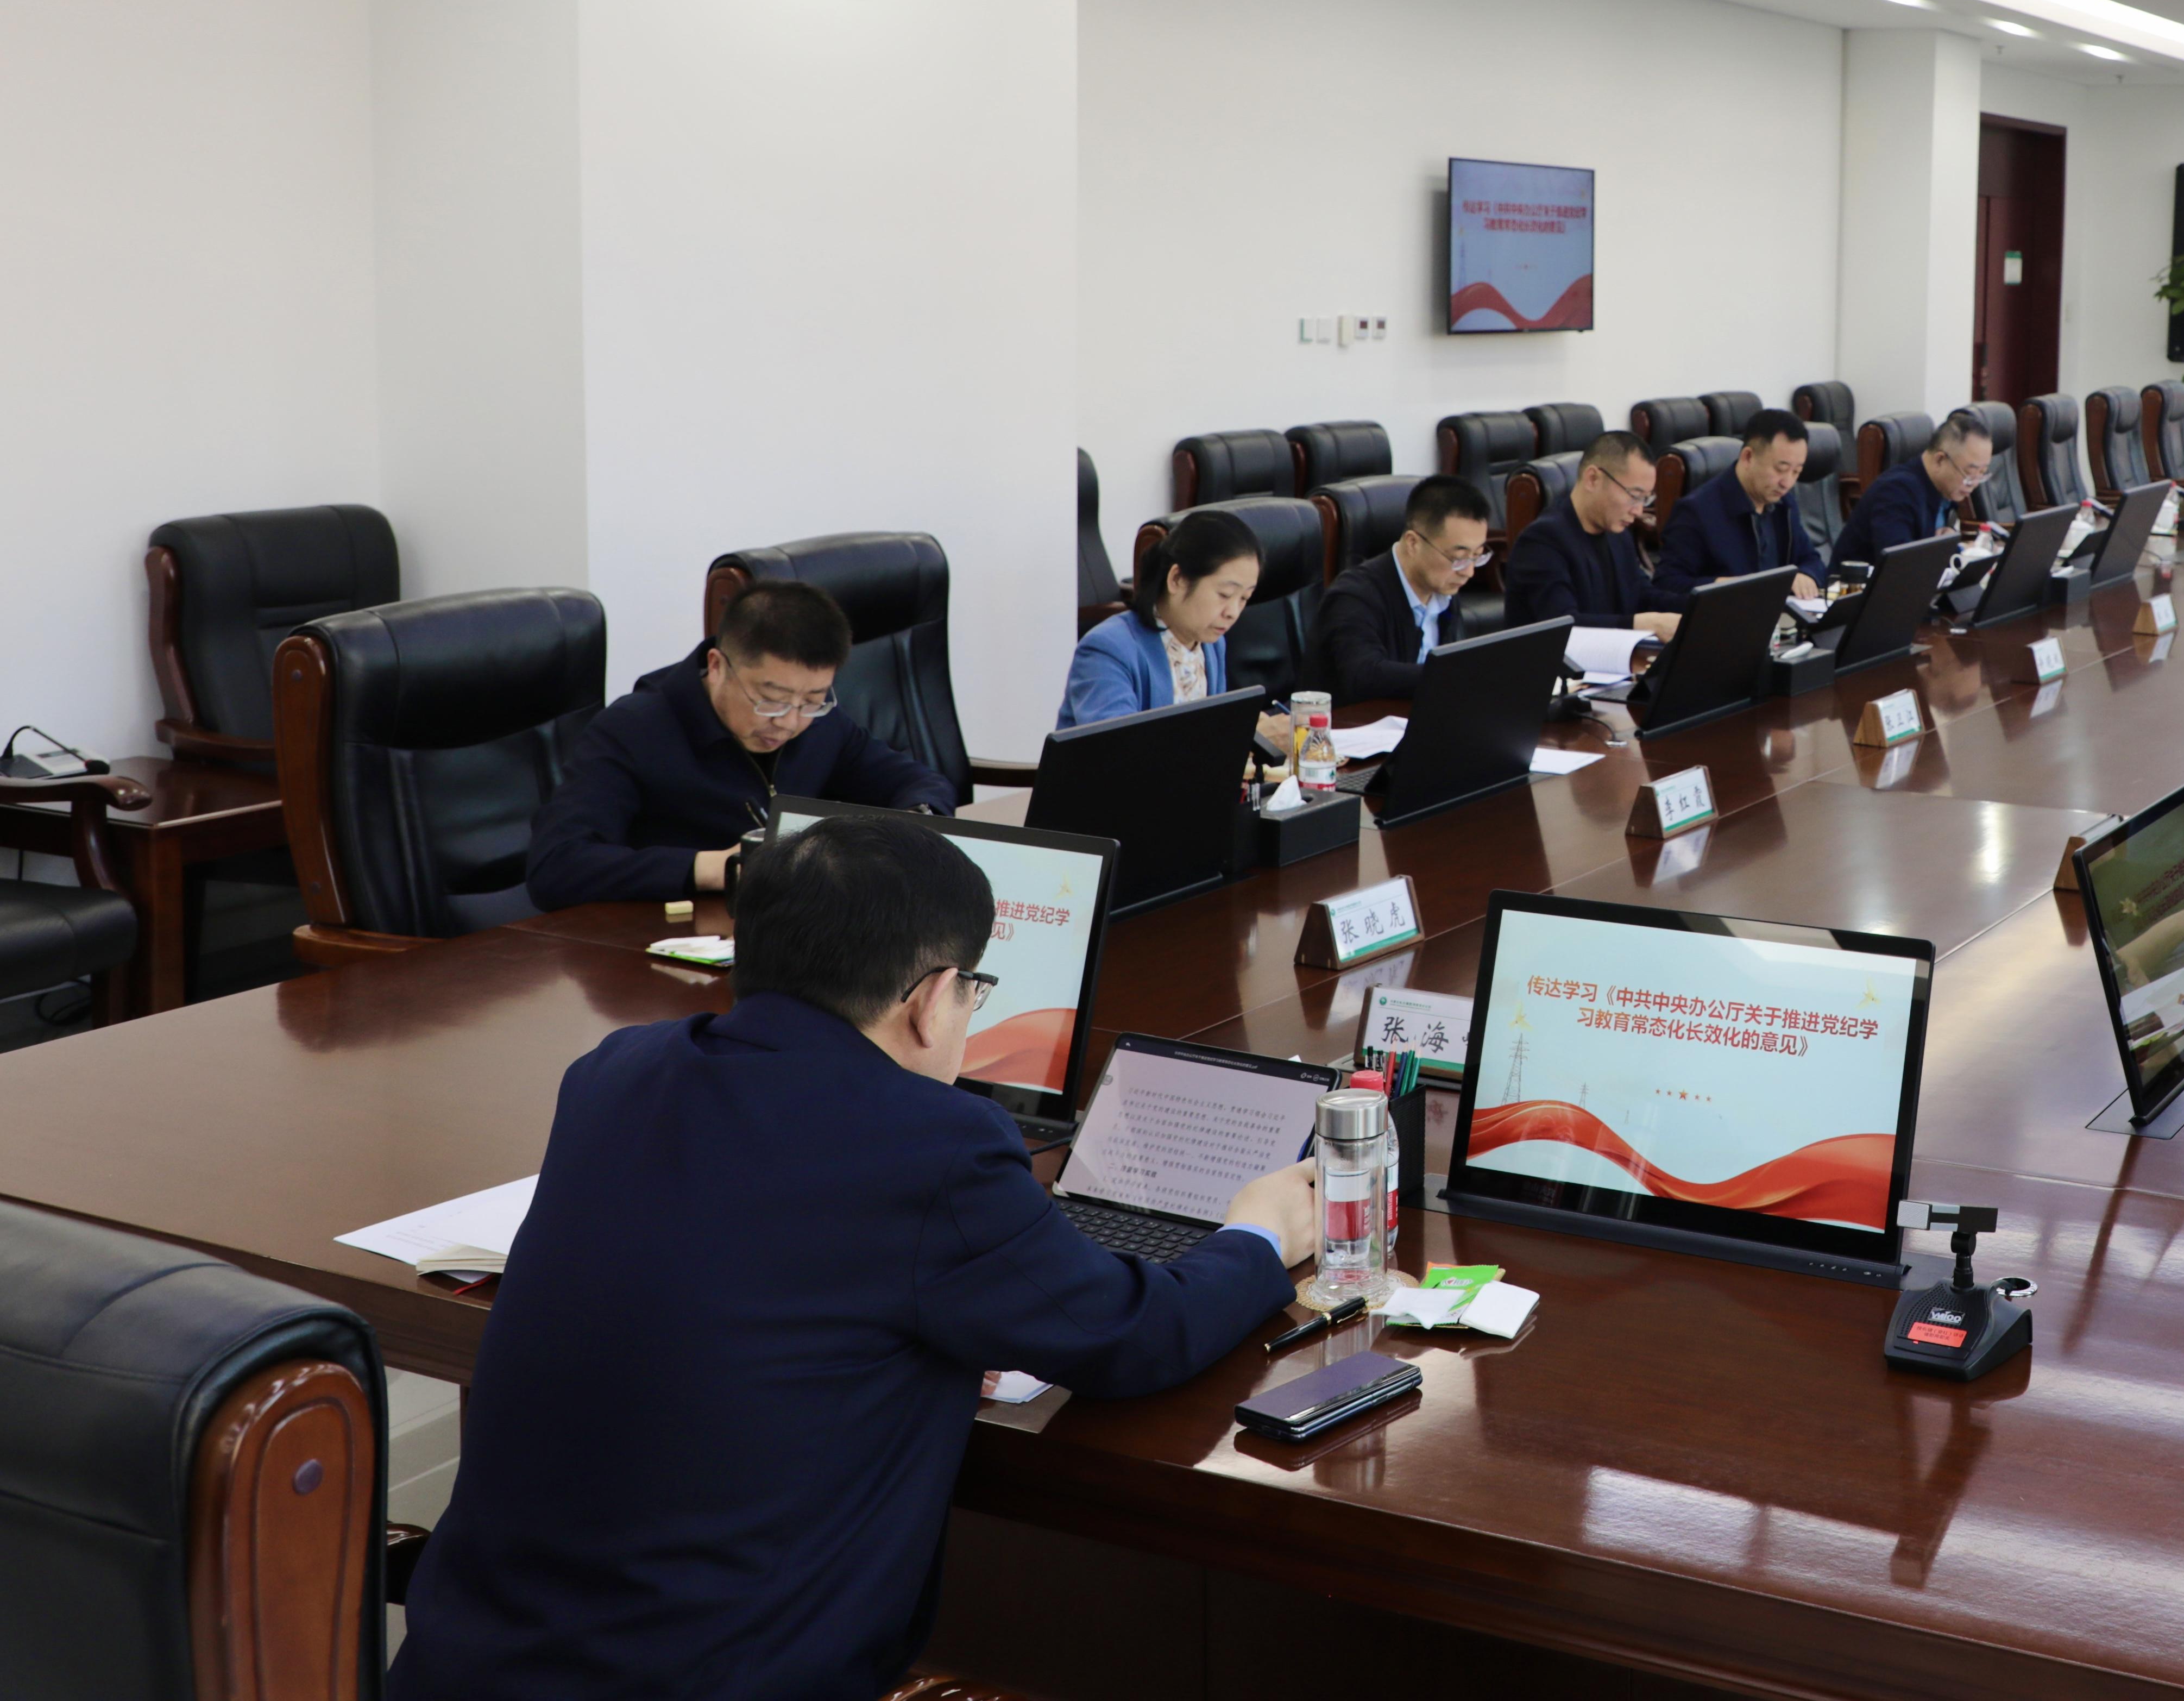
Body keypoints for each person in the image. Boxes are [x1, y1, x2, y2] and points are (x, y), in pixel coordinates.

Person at [390, 813, 1316, 1701]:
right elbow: (1135, 1338)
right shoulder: (933, 1145)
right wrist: (1259, 1234)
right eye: (975, 990)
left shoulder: (615, 1072)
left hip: (464, 1664)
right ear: (931, 1001)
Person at [527, 579, 953, 909]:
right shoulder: (633, 730)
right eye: (770, 700)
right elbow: (557, 867)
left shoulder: (820, 724)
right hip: (659, 949)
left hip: (783, 934)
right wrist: (717, 866)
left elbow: (919, 782)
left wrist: (918, 824)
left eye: (812, 700)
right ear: (717, 667)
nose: (789, 723)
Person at [1055, 505, 1298, 754]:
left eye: (1244, 598)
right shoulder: (1108, 649)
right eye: (1225, 594)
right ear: (1177, 580)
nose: (1233, 612)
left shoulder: (1212, 644)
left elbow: (1208, 734)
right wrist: (1243, 738)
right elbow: (1121, 753)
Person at [1313, 473, 1494, 701]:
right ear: (1413, 543)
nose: (1469, 572)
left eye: (1477, 556)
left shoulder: (1444, 587)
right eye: (1459, 558)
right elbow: (1364, 676)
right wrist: (1455, 674)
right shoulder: (1353, 596)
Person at [1504, 432, 1682, 636]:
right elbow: (1563, 626)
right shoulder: (1541, 542)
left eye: (1646, 499)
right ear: (1593, 479)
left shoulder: (1618, 532)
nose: (1639, 511)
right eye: (1635, 496)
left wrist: (1696, 605)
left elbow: (1643, 596)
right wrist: (1642, 624)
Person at [1655, 408, 1829, 605]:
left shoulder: (1784, 503)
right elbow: (1667, 584)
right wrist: (1731, 587)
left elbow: (1812, 560)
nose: (1787, 483)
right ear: (1748, 457)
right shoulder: (1697, 512)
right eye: (1780, 469)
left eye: (1796, 472)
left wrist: (1806, 575)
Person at [1832, 407, 1994, 568]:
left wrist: (1953, 545)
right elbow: (1900, 566)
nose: (1974, 483)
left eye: (1982, 473)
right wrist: (1953, 551)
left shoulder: (1944, 488)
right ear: (1940, 460)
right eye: (1970, 473)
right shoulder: (1895, 492)